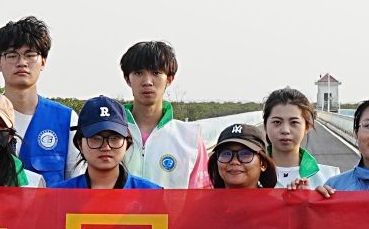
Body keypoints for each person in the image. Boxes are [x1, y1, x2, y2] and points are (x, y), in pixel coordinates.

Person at [0, 16, 81, 187]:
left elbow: (77, 184)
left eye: (30, 55)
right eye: (12, 55)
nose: (22, 63)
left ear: (43, 61)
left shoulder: (67, 119)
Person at [117, 41, 208, 188]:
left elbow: (201, 194)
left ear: (169, 79)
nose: (147, 82)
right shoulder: (110, 135)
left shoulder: (190, 137)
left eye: (156, 73)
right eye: (139, 73)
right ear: (127, 79)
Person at [54, 96, 161, 190]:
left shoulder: (151, 195)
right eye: (95, 138)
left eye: (115, 138)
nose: (106, 147)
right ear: (80, 144)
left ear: (127, 142)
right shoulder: (58, 195)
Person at [262, 87, 339, 190]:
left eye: (294, 122)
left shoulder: (329, 177)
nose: (285, 130)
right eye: (277, 122)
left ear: (307, 127)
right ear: (265, 126)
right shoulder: (249, 174)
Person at [209, 123, 277, 190]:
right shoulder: (204, 197)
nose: (234, 161)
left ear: (263, 164)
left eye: (245, 154)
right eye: (226, 154)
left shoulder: (279, 197)